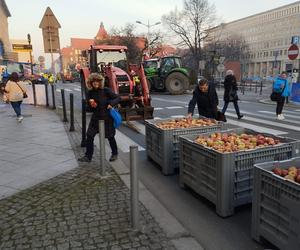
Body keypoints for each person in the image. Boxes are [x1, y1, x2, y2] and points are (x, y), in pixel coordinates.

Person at [78, 73, 120, 163]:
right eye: (93, 81)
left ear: (100, 82)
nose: (95, 83)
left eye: (97, 81)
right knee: (89, 136)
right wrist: (91, 105)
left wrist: (111, 104)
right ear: (91, 83)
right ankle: (88, 156)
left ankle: (115, 153)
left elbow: (118, 98)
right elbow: (88, 109)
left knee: (110, 137)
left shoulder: (106, 90)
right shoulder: (90, 93)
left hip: (107, 118)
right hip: (95, 119)